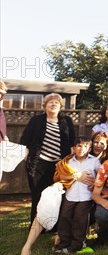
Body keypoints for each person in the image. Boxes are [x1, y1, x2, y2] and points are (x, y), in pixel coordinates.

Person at [19, 93, 76, 224]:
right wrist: (26, 156)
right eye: (50, 102)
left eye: (56, 102)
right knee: (38, 195)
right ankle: (36, 225)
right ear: (44, 106)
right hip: (37, 164)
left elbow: (73, 142)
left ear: (61, 106)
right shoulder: (36, 120)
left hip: (58, 166)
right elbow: (25, 139)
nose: (54, 104)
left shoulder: (67, 121)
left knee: (56, 195)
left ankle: (53, 225)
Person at [53, 136, 101, 254]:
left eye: (85, 146)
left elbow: (101, 177)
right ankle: (64, 242)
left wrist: (94, 185)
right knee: (65, 217)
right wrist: (75, 176)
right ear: (74, 148)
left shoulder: (94, 161)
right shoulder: (68, 162)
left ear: (89, 149)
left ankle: (77, 244)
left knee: (80, 219)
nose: (81, 149)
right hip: (71, 195)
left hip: (86, 196)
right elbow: (59, 176)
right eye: (79, 146)